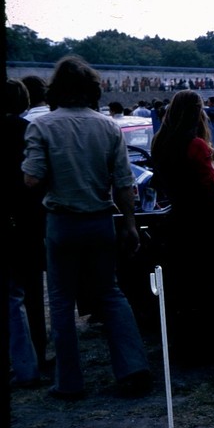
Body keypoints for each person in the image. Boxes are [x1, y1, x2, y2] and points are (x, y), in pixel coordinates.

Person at [21, 55, 152, 400]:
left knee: (62, 301)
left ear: (56, 89)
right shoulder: (108, 127)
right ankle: (133, 367)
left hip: (62, 222)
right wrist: (130, 224)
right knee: (110, 293)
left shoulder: (42, 127)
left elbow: (32, 179)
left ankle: (69, 382)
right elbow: (124, 183)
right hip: (100, 220)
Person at [150, 90, 214, 363]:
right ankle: (202, 346)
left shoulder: (160, 142)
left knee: (180, 287)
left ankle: (181, 345)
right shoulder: (197, 145)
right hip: (201, 221)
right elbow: (211, 184)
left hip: (175, 219)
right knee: (202, 285)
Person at [5, 78, 42, 388]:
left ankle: (23, 361)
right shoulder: (28, 130)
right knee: (32, 288)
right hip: (29, 217)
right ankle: (38, 351)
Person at [19, 75, 51, 370]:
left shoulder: (28, 125)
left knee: (28, 288)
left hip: (25, 216)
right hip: (53, 211)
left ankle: (35, 346)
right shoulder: (49, 122)